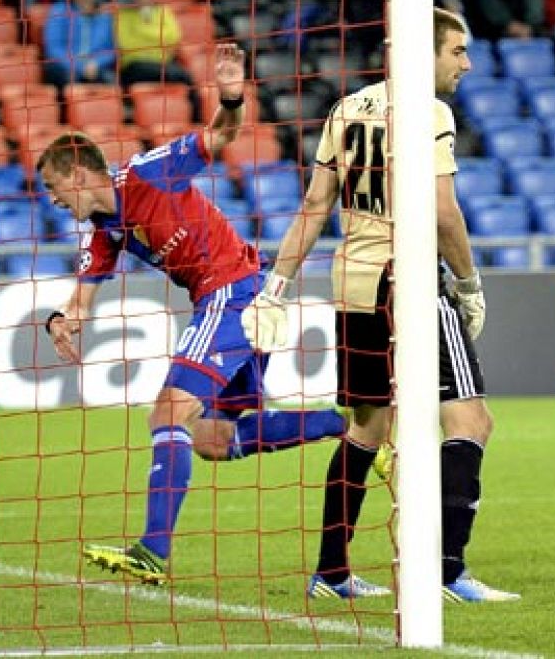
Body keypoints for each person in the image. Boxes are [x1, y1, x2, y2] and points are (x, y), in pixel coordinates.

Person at [42, 43, 346, 585]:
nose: (52, 200)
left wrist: (230, 95)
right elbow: (83, 295)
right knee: (212, 439)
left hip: (231, 292)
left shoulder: (147, 174)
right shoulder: (104, 231)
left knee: (167, 415)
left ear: (76, 174)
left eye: (52, 188)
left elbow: (222, 134)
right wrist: (63, 320)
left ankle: (151, 552)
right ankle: (351, 427)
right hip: (236, 297)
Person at [250, 8, 518, 603]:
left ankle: (332, 570)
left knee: (368, 427)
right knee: (471, 421)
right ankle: (446, 571)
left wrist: (277, 286)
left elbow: (316, 206)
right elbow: (443, 211)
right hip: (408, 281)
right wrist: (469, 284)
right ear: (426, 52)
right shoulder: (430, 114)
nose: (466, 64)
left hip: (352, 284)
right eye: (457, 51)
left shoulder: (346, 109)